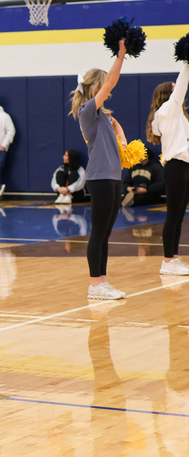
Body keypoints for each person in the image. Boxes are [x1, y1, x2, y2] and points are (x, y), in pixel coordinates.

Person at [71, 40, 129, 300]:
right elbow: (111, 83)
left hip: (113, 177)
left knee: (105, 233)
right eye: (104, 85)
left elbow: (117, 134)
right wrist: (121, 55)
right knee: (98, 232)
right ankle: (95, 284)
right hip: (100, 178)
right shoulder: (87, 111)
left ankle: (102, 282)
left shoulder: (103, 115)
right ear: (96, 87)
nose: (109, 89)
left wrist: (121, 136)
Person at [147, 71, 189, 276]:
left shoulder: (174, 113)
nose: (178, 89)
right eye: (174, 87)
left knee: (179, 215)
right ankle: (167, 260)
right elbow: (183, 83)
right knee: (173, 215)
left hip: (184, 166)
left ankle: (173, 258)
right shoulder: (168, 108)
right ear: (168, 93)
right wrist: (186, 62)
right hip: (176, 167)